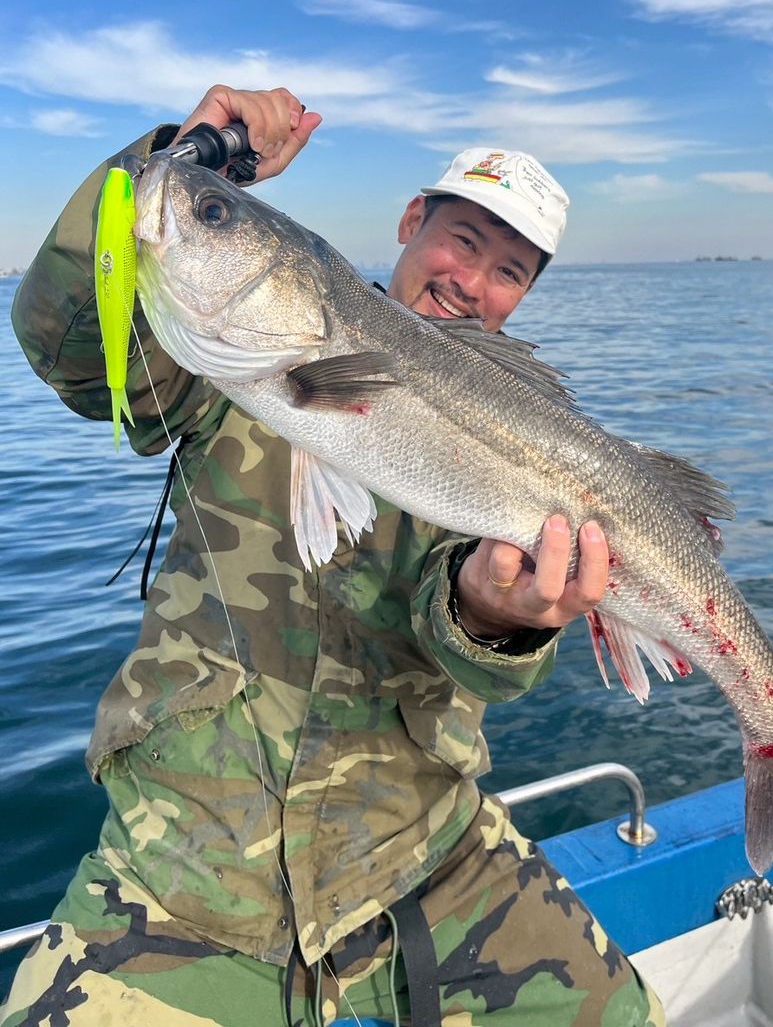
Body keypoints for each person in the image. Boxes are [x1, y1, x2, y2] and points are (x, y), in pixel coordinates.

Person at [3, 86, 665, 1027]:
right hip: (185, 862)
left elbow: (472, 647)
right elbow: (63, 340)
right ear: (410, 222)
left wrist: (495, 620)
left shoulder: (517, 433)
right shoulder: (220, 362)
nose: (472, 282)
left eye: (510, 271)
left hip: (427, 851)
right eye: (464, 242)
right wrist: (184, 161)